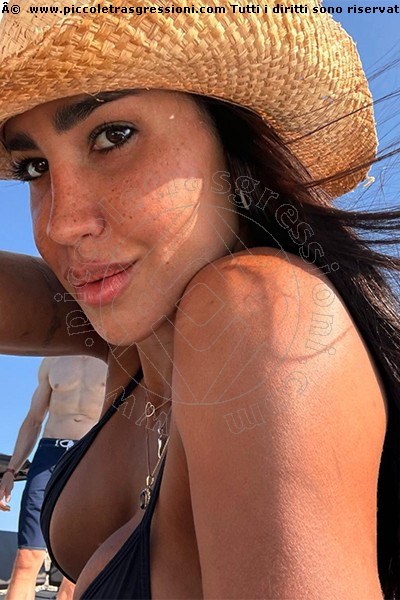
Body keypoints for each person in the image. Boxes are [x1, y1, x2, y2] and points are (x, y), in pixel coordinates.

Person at [0, 1, 399, 598]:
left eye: (113, 136)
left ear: (229, 145)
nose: (61, 224)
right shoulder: (141, 342)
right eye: (35, 167)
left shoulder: (258, 310)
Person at [0, 355, 108, 600]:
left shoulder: (114, 357)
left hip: (91, 453)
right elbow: (33, 420)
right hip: (49, 455)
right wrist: (10, 472)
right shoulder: (52, 360)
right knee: (26, 559)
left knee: (75, 567)